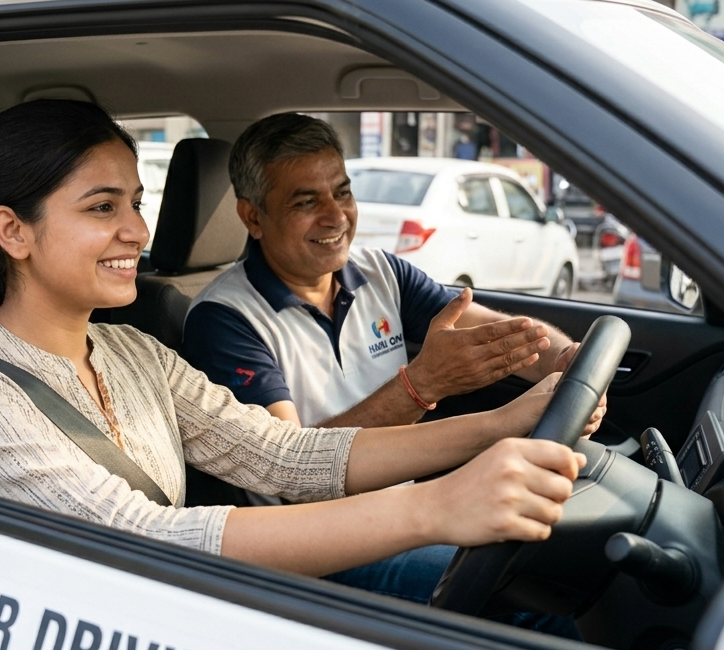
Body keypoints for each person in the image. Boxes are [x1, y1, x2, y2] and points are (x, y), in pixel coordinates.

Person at [0, 99, 584, 599]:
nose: (138, 231)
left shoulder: (131, 352)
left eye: (137, 204)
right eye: (102, 208)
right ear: (13, 232)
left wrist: (504, 424)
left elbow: (284, 455)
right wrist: (435, 508)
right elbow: (140, 537)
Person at [182, 112, 588, 435]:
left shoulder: (381, 272)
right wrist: (420, 385)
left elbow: (503, 336)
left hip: (407, 506)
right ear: (253, 217)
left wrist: (566, 362)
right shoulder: (223, 318)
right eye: (307, 202)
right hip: (328, 532)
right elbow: (286, 470)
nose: (337, 216)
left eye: (342, 192)